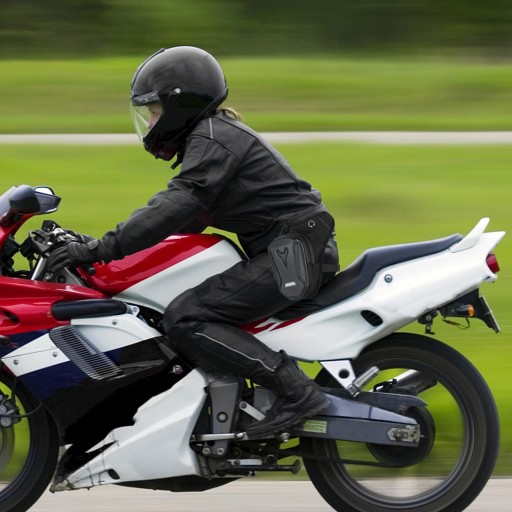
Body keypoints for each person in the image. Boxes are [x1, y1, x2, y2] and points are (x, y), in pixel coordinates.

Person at [48, 46, 339, 437]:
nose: (150, 122)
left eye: (155, 112)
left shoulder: (215, 138)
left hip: (296, 255)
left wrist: (99, 249)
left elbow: (175, 205)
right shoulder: (212, 137)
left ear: (180, 105)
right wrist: (101, 251)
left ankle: (299, 394)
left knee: (185, 317)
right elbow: (177, 222)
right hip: (294, 250)